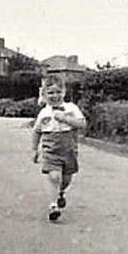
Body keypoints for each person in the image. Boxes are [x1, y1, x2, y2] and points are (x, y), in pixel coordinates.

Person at [32, 74, 86, 221]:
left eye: (58, 92)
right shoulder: (44, 113)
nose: (54, 96)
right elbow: (37, 131)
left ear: (64, 92)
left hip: (69, 150)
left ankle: (61, 192)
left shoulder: (71, 108)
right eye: (50, 93)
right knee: (54, 176)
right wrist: (34, 150)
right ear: (44, 94)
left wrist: (65, 118)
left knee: (66, 179)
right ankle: (53, 205)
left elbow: (82, 124)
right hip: (51, 150)